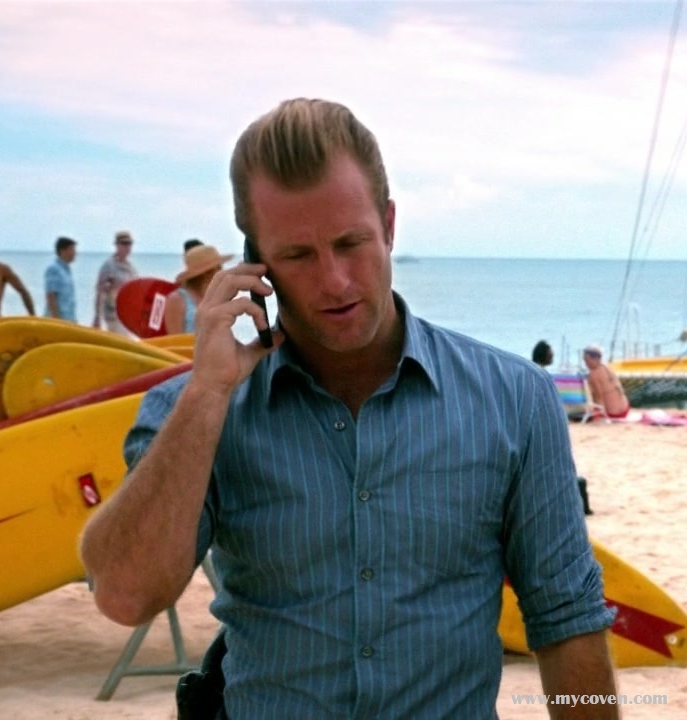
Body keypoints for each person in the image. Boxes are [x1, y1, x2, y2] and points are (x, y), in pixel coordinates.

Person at [79, 97, 617, 719]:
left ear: (388, 225)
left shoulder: (514, 400)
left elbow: (566, 620)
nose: (334, 281)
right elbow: (125, 595)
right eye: (298, 255)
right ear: (256, 265)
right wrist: (205, 395)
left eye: (350, 242)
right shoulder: (195, 410)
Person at [164, 244, 234, 334]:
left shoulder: (216, 297)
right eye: (218, 268)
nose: (222, 271)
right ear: (206, 273)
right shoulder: (178, 299)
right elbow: (175, 338)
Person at [93, 230, 139, 335]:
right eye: (124, 243)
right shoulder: (109, 266)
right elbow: (100, 292)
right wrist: (97, 317)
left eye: (129, 244)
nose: (127, 247)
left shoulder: (131, 268)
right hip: (113, 315)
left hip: (127, 315)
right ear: (117, 245)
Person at [582, 343, 630, 420]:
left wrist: (598, 415)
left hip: (614, 414)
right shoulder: (607, 367)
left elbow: (599, 398)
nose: (586, 364)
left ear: (596, 358)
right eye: (585, 361)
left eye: (587, 360)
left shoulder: (593, 374)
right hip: (625, 409)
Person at [43, 236, 78, 322]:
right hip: (57, 321)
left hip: (68, 320)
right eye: (72, 250)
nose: (75, 253)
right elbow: (50, 296)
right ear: (62, 251)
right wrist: (57, 320)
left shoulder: (66, 270)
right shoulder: (53, 269)